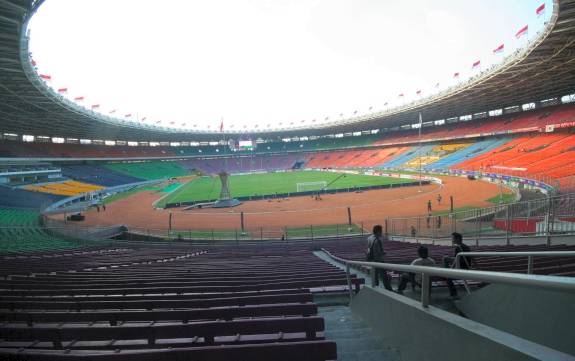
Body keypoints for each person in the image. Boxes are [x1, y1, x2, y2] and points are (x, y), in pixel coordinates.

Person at [443, 232, 473, 298]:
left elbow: (457, 261)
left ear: (458, 239)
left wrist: (451, 268)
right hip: (467, 268)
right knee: (446, 258)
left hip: (462, 270)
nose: (452, 240)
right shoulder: (466, 246)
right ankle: (446, 270)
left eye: (453, 238)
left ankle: (453, 294)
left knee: (448, 277)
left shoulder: (458, 248)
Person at [366, 225, 392, 290]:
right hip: (379, 260)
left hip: (373, 260)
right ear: (378, 232)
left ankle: (375, 288)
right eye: (380, 231)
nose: (381, 232)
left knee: (375, 276)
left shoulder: (369, 238)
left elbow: (369, 249)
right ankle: (389, 289)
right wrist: (384, 252)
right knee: (384, 276)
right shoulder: (378, 240)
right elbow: (380, 252)